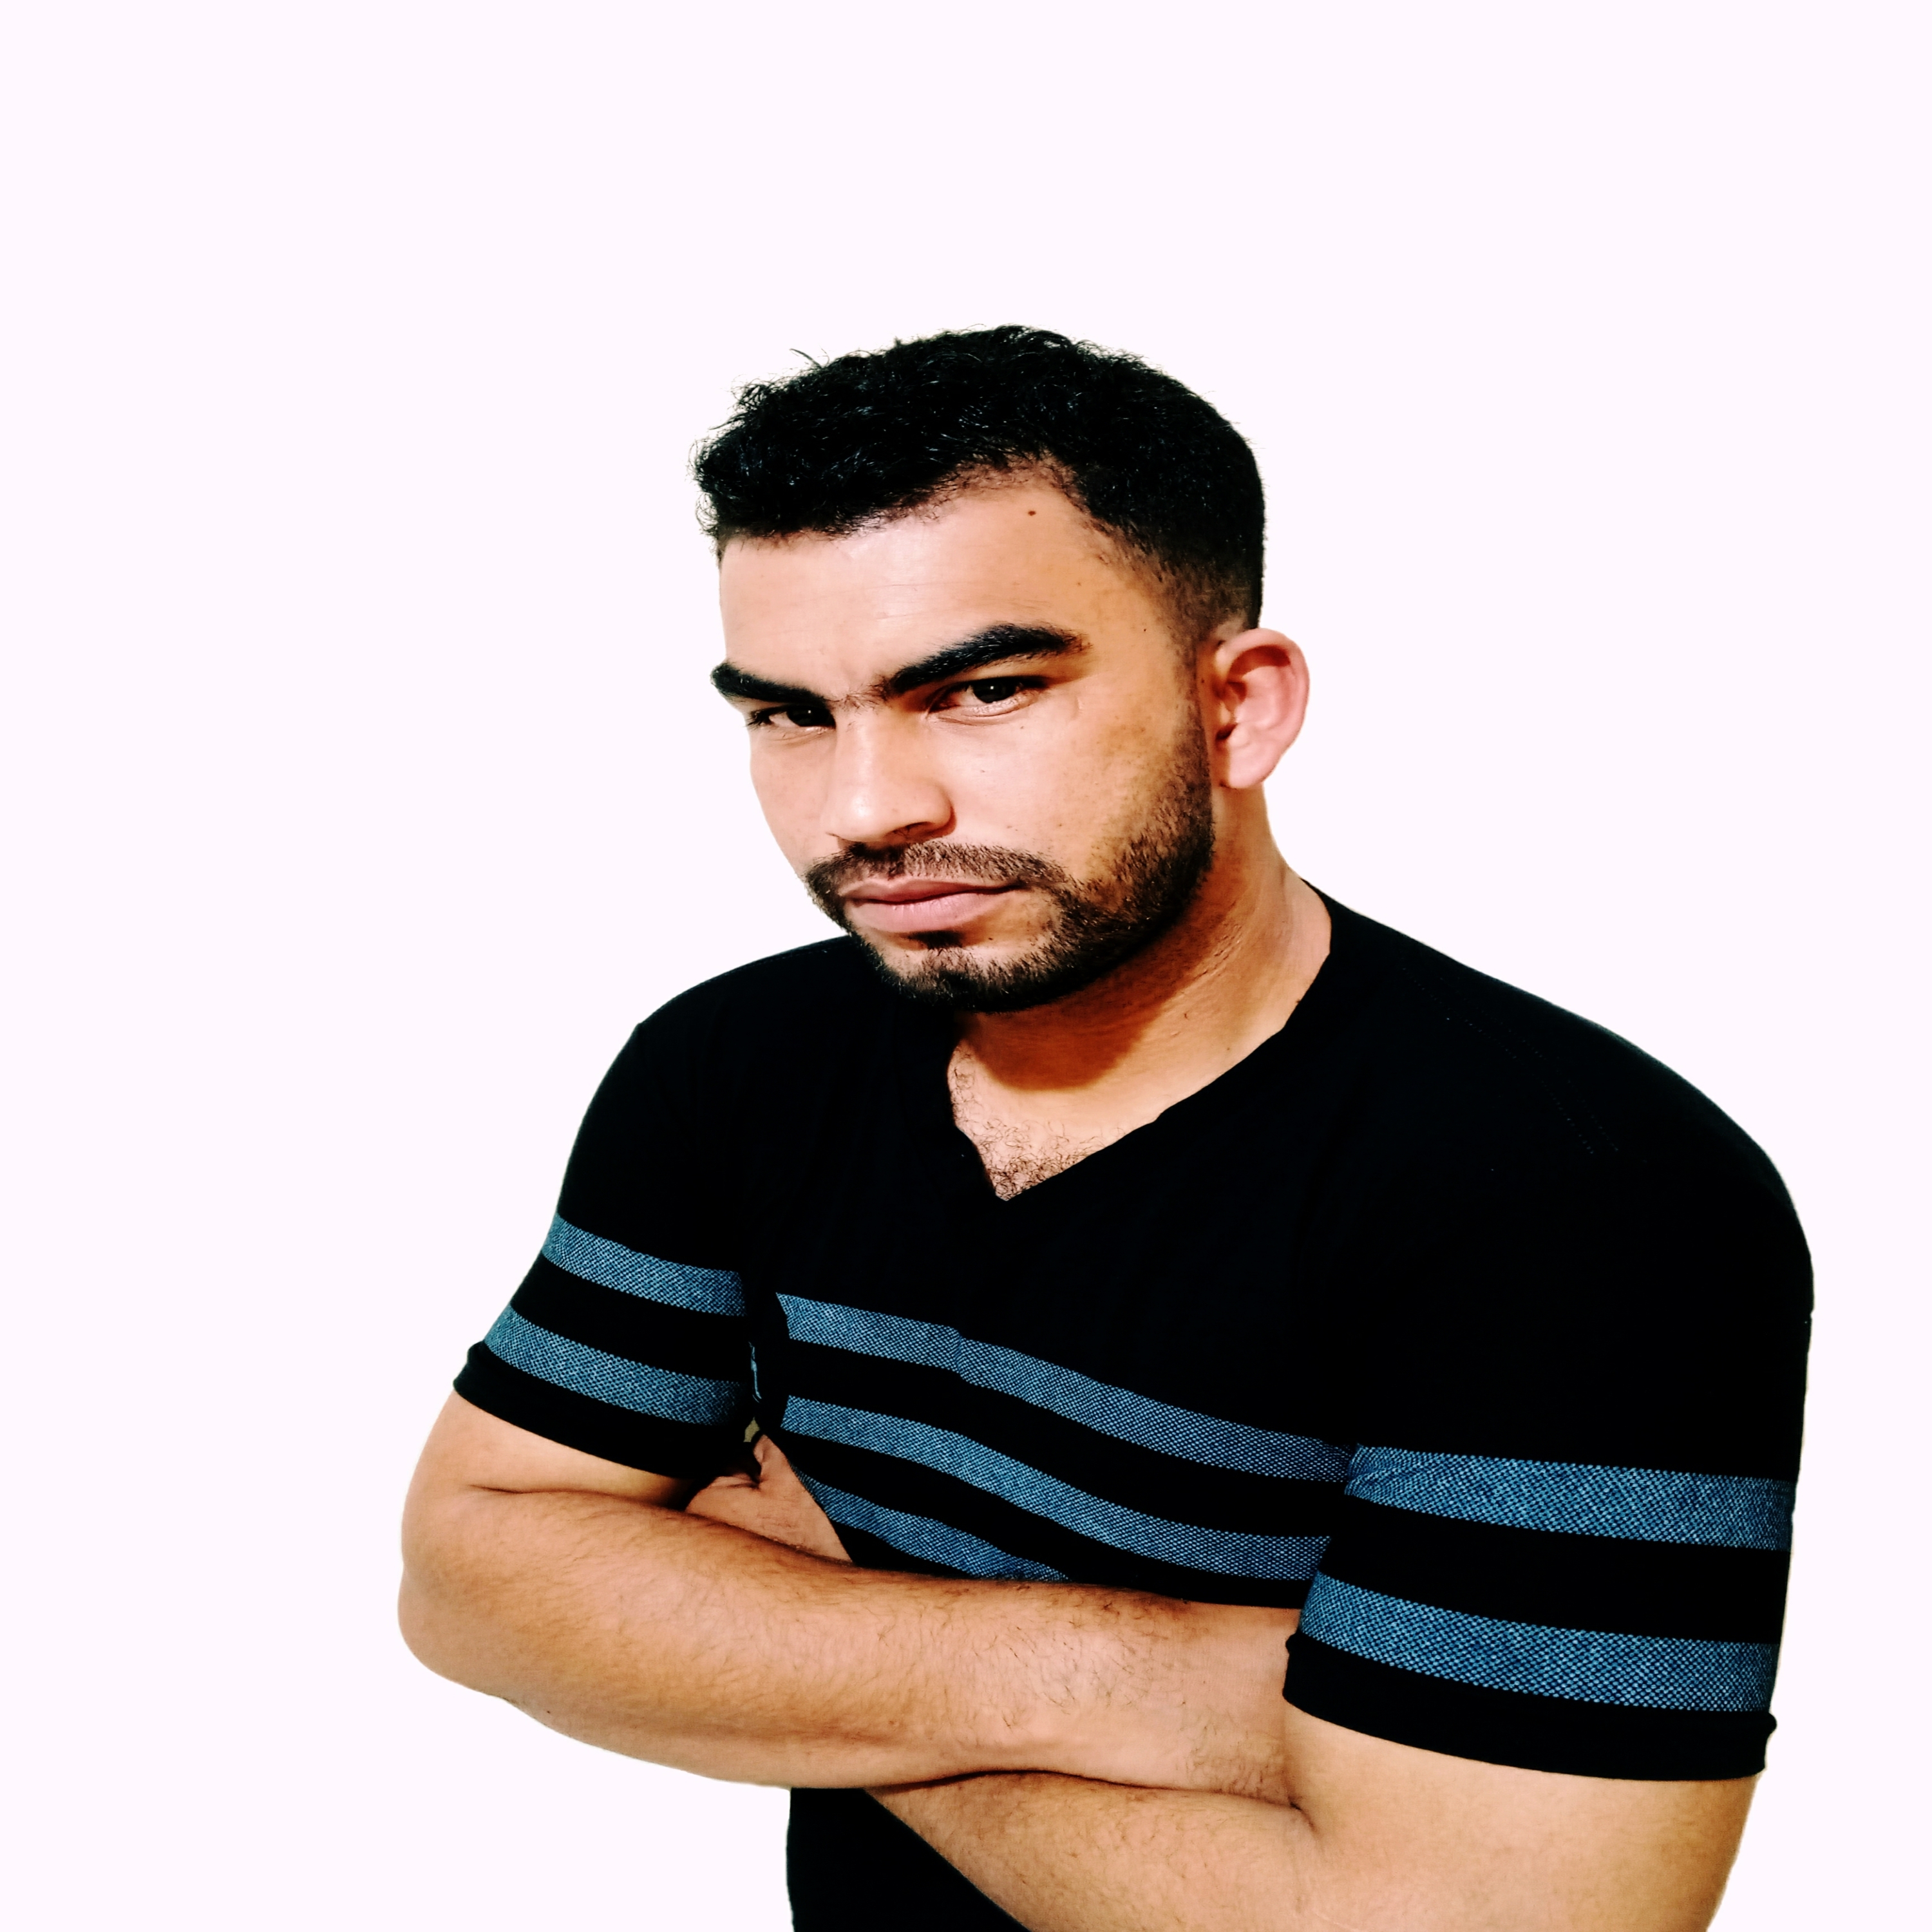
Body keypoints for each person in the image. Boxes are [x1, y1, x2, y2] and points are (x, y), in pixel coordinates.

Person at [399, 327, 1810, 1931]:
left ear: (1239, 707)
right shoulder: (735, 1067)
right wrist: (1155, 1678)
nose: (866, 808)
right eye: (790, 715)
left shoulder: (1583, 1199)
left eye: (983, 691)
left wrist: (794, 1616)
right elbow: (469, 1576)